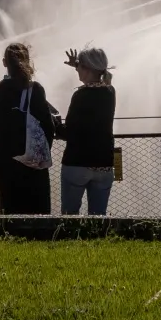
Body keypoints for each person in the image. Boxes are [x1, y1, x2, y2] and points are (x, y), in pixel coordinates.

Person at [0, 41, 55, 214]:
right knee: (39, 214)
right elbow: (49, 128)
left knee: (12, 213)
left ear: (4, 63)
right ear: (27, 61)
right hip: (34, 164)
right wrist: (40, 151)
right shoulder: (36, 90)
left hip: (6, 165)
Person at [59, 46, 117, 215]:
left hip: (77, 163)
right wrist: (77, 64)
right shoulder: (110, 92)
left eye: (80, 68)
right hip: (104, 165)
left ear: (86, 69)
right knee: (98, 218)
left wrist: (53, 123)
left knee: (70, 217)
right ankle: (97, 240)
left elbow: (68, 132)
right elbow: (98, 77)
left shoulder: (80, 96)